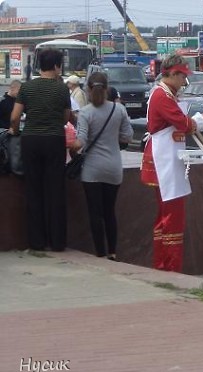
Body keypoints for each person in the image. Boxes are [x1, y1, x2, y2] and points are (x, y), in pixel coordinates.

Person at [140, 53, 203, 272]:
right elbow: (185, 125)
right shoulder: (162, 96)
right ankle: (170, 266)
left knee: (166, 215)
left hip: (168, 159)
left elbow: (185, 125)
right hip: (165, 161)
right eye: (182, 77)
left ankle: (164, 264)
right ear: (171, 73)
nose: (184, 82)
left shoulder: (165, 94)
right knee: (172, 217)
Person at [9, 48, 71, 251]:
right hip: (54, 140)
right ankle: (57, 242)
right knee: (56, 191)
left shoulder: (27, 87)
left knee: (33, 189)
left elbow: (14, 117)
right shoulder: (62, 89)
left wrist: (16, 131)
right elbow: (66, 117)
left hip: (31, 140)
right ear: (56, 66)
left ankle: (37, 242)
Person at [71, 72, 133, 261]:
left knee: (95, 213)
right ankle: (113, 252)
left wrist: (71, 149)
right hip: (113, 167)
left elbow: (80, 141)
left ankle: (100, 253)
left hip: (92, 169)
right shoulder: (119, 109)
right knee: (109, 211)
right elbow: (128, 136)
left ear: (88, 89)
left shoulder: (86, 112)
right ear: (106, 89)